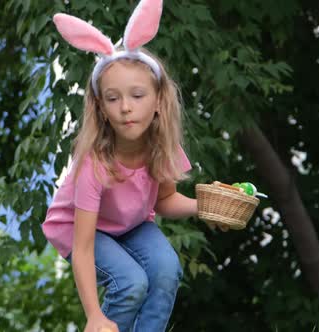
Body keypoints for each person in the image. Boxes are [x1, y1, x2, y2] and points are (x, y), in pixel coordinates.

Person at [42, 0, 227, 331]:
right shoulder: (94, 164)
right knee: (130, 283)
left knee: (167, 270)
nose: (126, 107)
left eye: (137, 96)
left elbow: (164, 200)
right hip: (81, 229)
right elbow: (83, 249)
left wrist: (204, 207)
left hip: (129, 225)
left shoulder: (162, 148)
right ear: (101, 108)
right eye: (113, 99)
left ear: (158, 101)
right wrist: (96, 317)